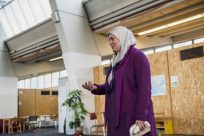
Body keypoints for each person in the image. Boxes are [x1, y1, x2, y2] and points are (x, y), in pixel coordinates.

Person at [82, 26, 156, 136]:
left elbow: (144, 89)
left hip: (132, 116)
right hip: (116, 117)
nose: (110, 42)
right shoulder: (115, 62)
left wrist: (140, 115)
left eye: (112, 39)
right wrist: (95, 88)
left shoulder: (137, 56)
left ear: (122, 38)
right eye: (109, 40)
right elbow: (110, 86)